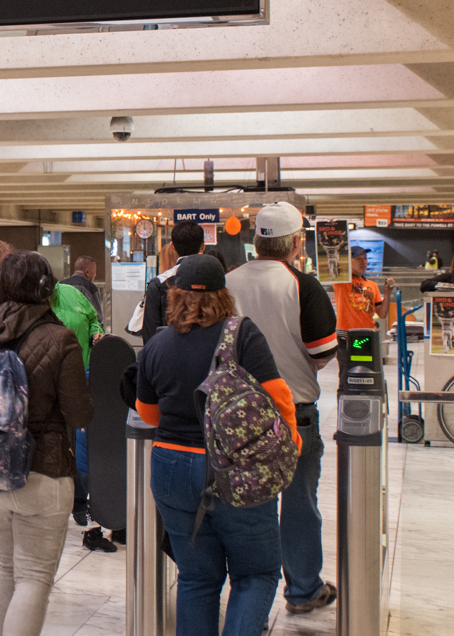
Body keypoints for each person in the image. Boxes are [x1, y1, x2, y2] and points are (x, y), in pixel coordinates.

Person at [136, 254, 301, 636]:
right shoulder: (241, 334)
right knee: (256, 573)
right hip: (234, 470)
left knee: (196, 578)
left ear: (174, 296)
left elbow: (148, 413)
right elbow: (278, 399)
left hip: (171, 468)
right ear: (223, 295)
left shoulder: (158, 344)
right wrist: (287, 444)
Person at [0, 251, 94, 636]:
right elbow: (79, 415)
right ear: (47, 289)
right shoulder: (59, 338)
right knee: (34, 577)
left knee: (8, 566)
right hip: (42, 472)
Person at [224, 202, 338, 615]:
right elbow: (324, 351)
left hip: (236, 414)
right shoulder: (303, 285)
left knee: (243, 500)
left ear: (257, 241)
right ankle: (303, 589)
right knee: (298, 504)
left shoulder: (227, 280)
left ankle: (247, 584)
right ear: (295, 243)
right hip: (293, 412)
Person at [49, 280, 109, 546]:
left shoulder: (72, 293)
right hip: (49, 382)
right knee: (57, 443)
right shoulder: (34, 304)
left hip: (83, 376)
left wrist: (97, 333)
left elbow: (95, 320)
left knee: (82, 444)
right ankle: (57, 505)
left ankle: (79, 502)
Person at [334, 247, 395, 372]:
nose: (364, 262)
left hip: (367, 336)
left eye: (365, 259)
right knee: (347, 374)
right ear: (348, 261)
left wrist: (387, 294)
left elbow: (382, 314)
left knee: (368, 372)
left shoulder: (372, 285)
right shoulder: (341, 282)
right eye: (358, 259)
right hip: (347, 336)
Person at [142, 221, 204, 345]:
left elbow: (150, 335)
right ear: (203, 246)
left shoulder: (159, 283)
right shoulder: (213, 279)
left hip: (168, 356)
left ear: (173, 246)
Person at [61, 255, 103, 327]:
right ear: (87, 272)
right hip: (82, 332)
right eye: (95, 271)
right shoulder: (89, 288)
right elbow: (97, 318)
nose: (95, 275)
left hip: (62, 331)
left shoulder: (60, 285)